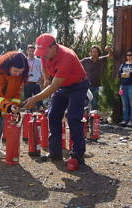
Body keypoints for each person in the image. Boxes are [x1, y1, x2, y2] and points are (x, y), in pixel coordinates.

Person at [23, 33, 89, 169]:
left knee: (73, 117)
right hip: (62, 86)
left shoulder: (67, 57)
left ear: (54, 47)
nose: (43, 55)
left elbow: (54, 87)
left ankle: (78, 154)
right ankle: (55, 152)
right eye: (40, 53)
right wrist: (46, 78)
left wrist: (35, 98)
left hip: (77, 86)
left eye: (44, 52)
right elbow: (44, 66)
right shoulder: (45, 54)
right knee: (53, 115)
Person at [80, 45, 112, 110]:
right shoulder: (86, 60)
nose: (94, 53)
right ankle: (84, 118)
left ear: (98, 53)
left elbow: (110, 55)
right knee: (85, 104)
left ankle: (93, 118)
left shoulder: (101, 59)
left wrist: (109, 49)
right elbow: (76, 63)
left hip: (97, 86)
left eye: (96, 52)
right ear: (91, 52)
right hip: (87, 86)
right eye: (93, 52)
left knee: (94, 103)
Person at [118, 49, 132, 127]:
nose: (128, 56)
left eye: (130, 55)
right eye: (127, 55)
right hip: (122, 86)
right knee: (124, 104)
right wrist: (128, 74)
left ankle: (131, 120)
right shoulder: (123, 64)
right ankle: (125, 120)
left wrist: (127, 75)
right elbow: (119, 74)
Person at [23, 44, 43, 110]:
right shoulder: (24, 61)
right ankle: (28, 116)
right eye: (30, 51)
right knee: (27, 102)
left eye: (33, 51)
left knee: (39, 101)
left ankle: (41, 116)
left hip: (36, 84)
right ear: (27, 52)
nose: (31, 53)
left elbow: (43, 72)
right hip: (27, 83)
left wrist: (41, 80)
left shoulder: (39, 61)